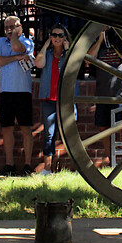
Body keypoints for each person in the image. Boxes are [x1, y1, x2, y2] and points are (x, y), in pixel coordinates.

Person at [0, 16, 36, 176]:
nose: (9, 30)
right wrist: (16, 58)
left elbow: (18, 48)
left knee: (26, 128)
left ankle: (27, 164)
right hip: (5, 91)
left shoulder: (27, 41)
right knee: (7, 128)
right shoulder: (0, 42)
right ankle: (9, 164)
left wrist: (15, 37)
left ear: (20, 27)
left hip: (23, 91)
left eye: (12, 26)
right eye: (7, 27)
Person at [34, 24, 73, 175]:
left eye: (60, 35)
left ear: (65, 37)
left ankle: (75, 166)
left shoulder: (69, 52)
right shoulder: (47, 53)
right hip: (48, 98)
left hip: (65, 99)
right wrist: (45, 46)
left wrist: (67, 50)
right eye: (54, 35)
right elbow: (38, 64)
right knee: (49, 134)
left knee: (70, 132)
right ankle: (47, 168)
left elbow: (73, 66)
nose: (57, 38)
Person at [87, 28, 122, 165]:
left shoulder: (120, 41)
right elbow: (89, 59)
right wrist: (100, 40)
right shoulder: (98, 43)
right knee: (103, 127)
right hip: (102, 94)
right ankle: (111, 159)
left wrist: (113, 42)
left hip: (119, 95)